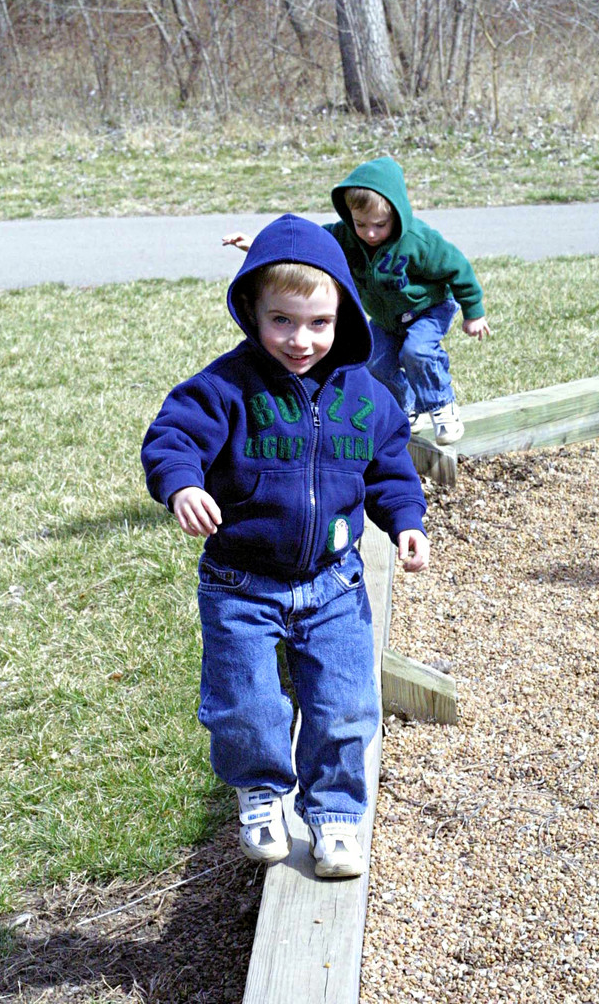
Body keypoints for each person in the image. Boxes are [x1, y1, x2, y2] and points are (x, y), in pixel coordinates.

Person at [143, 213, 429, 879]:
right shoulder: (225, 385)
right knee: (244, 704)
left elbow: (389, 466)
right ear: (252, 310)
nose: (301, 340)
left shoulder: (366, 395)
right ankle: (261, 792)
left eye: (319, 323)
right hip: (241, 580)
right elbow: (172, 437)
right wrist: (182, 484)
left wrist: (406, 521)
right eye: (282, 321)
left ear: (345, 315)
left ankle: (335, 815)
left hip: (335, 583)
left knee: (345, 704)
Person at [224, 156, 490, 445]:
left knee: (417, 351)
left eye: (380, 224)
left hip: (428, 308)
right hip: (387, 318)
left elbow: (459, 270)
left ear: (397, 214)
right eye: (360, 224)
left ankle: (442, 406)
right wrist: (258, 245)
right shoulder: (344, 236)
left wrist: (473, 313)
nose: (370, 233)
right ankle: (407, 407)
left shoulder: (420, 241)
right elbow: (306, 242)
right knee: (373, 361)